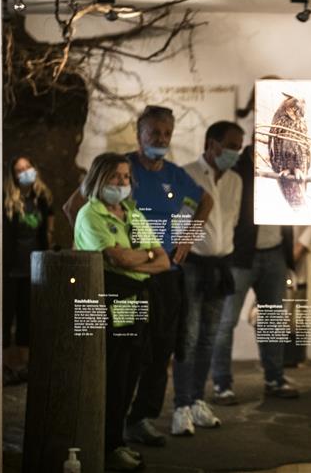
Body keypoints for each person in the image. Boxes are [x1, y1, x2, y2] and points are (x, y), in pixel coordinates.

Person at [64, 105, 213, 446]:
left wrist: (186, 241)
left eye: (166, 134)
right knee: (123, 354)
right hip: (121, 280)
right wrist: (93, 249)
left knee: (159, 351)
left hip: (163, 272)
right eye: (153, 133)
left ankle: (141, 418)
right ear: (139, 135)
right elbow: (73, 208)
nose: (160, 139)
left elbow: (205, 202)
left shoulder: (175, 176)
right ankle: (106, 426)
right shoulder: (118, 168)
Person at [74, 152, 170, 471]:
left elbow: (164, 261)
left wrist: (135, 257)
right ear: (99, 178)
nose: (122, 183)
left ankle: (116, 442)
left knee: (130, 373)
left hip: (137, 298)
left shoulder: (131, 212)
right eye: (116, 176)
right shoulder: (91, 215)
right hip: (109, 298)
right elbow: (119, 260)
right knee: (112, 376)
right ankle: (104, 445)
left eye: (126, 177)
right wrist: (141, 257)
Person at [209, 144, 299, 401]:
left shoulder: (283, 164)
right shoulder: (237, 170)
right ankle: (221, 384)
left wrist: (288, 255)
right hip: (240, 256)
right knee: (226, 321)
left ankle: (274, 379)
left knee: (272, 321)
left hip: (275, 252)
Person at [171, 121, 244, 434]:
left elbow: (233, 222)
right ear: (211, 144)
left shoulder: (236, 181)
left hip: (220, 265)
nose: (235, 153)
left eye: (239, 147)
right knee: (187, 336)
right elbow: (176, 218)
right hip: (191, 266)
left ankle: (198, 399)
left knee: (209, 336)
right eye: (230, 146)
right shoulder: (186, 174)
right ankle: (181, 406)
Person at [2, 156, 54, 385]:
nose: (25, 172)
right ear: (12, 175)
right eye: (19, 169)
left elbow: (48, 229)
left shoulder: (42, 197)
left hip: (33, 269)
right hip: (9, 269)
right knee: (4, 319)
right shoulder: (7, 199)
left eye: (28, 167)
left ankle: (24, 367)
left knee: (27, 318)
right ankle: (1, 367)